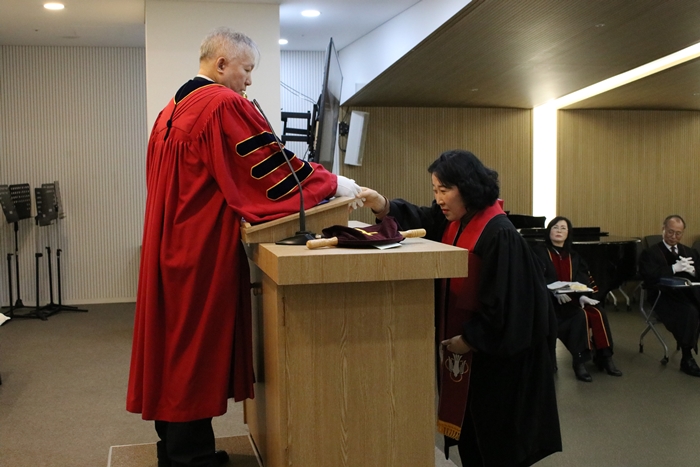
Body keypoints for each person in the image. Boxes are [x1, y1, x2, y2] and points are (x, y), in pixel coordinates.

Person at [126, 27, 361, 467]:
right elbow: (267, 168)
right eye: (247, 69)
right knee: (192, 352)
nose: (249, 80)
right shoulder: (221, 103)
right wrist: (331, 183)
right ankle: (191, 458)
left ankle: (174, 451)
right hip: (198, 248)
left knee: (171, 348)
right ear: (222, 64)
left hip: (166, 244)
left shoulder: (170, 109)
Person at [359, 149, 561, 466]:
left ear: (467, 187)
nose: (438, 199)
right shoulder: (455, 220)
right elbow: (422, 219)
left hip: (496, 361)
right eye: (435, 190)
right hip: (467, 353)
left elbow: (511, 304)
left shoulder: (499, 233)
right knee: (471, 438)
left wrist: (470, 339)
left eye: (444, 190)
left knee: (493, 440)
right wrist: (381, 204)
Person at [532, 216, 622, 382]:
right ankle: (579, 361)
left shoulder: (573, 256)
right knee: (580, 316)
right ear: (549, 231)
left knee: (598, 312)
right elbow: (536, 277)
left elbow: (582, 279)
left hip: (573, 300)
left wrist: (583, 296)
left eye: (563, 228)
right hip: (549, 302)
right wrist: (553, 291)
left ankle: (605, 357)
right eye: (555, 227)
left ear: (568, 234)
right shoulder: (539, 252)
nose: (559, 231)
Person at [638, 215, 700, 377]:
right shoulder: (650, 253)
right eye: (670, 232)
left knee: (694, 307)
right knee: (689, 312)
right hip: (662, 295)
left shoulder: (689, 252)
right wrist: (673, 269)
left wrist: (693, 271)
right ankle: (687, 357)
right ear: (663, 229)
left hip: (687, 293)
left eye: (678, 233)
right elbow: (649, 276)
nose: (673, 236)